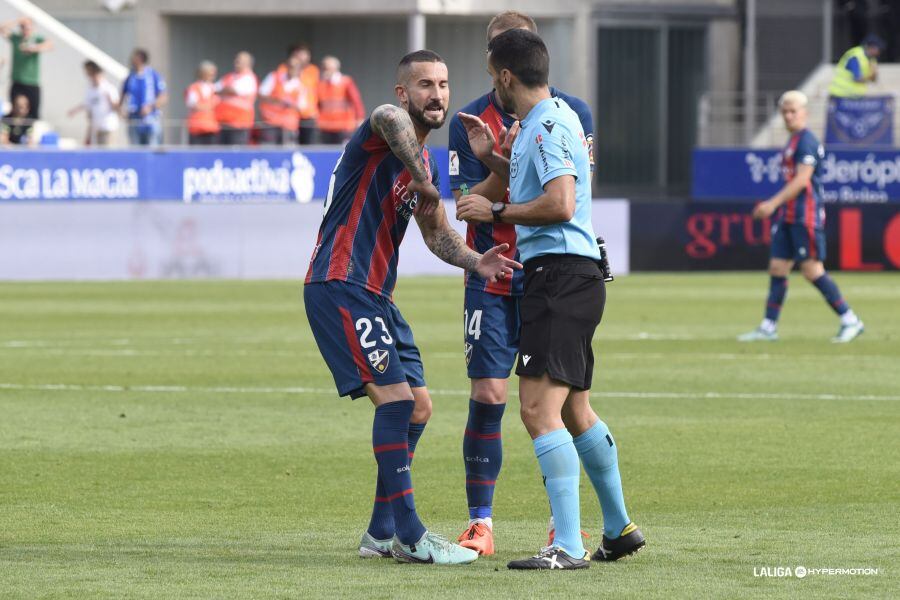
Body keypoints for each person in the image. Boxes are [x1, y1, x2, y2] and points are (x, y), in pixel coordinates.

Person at [303, 50, 520, 565]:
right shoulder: (387, 134)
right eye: (425, 85)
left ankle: (380, 533)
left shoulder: (418, 160)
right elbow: (385, 115)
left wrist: (476, 261)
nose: (437, 95)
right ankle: (411, 535)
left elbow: (436, 232)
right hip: (342, 282)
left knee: (418, 406)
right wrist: (422, 177)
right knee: (397, 403)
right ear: (405, 91)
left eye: (444, 85)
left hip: (378, 294)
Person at [456, 28, 644, 570]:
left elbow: (559, 204)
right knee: (576, 411)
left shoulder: (547, 125)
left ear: (507, 76)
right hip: (572, 276)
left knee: (539, 410)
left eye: (495, 78)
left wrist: (493, 213)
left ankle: (566, 544)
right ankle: (619, 528)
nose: (494, 87)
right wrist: (494, 160)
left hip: (559, 277)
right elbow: (544, 187)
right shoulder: (545, 121)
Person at [448, 10, 597, 557]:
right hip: (490, 275)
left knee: (552, 408)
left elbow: (564, 194)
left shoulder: (564, 114)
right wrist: (492, 158)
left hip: (549, 273)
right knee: (490, 393)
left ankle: (568, 532)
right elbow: (470, 200)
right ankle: (482, 523)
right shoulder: (472, 118)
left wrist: (501, 194)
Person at [738, 91, 864, 343]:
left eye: (793, 111)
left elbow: (802, 180)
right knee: (777, 267)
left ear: (805, 113)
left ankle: (850, 319)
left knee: (811, 269)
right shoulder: (793, 141)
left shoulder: (807, 141)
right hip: (789, 215)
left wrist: (772, 203)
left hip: (804, 215)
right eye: (784, 111)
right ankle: (768, 327)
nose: (788, 116)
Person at [1, 17, 52, 120]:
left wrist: (34, 48)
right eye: (23, 27)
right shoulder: (16, 39)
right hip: (17, 82)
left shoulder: (36, 39)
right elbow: (2, 29)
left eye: (28, 27)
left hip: (32, 83)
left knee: (34, 114)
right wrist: (17, 20)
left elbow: (50, 44)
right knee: (14, 113)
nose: (25, 29)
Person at [120, 48, 168, 146]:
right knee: (135, 151)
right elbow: (122, 96)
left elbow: (163, 96)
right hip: (134, 119)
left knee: (152, 149)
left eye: (135, 58)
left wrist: (150, 107)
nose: (132, 60)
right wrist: (122, 112)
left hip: (151, 119)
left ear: (141, 59)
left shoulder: (153, 75)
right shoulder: (130, 77)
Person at [68, 61, 120, 147]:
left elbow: (116, 105)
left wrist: (112, 102)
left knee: (107, 153)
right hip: (97, 128)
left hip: (108, 127)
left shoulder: (108, 88)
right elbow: (87, 105)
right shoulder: (90, 89)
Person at [317, 56, 365, 144]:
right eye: (323, 68)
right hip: (326, 127)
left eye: (327, 68)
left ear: (335, 69)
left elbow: (356, 101)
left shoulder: (346, 82)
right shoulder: (320, 84)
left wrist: (359, 118)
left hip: (343, 126)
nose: (325, 71)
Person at [258, 56, 304, 145]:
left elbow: (302, 106)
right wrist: (277, 101)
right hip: (270, 123)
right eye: (290, 66)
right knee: (269, 153)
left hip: (289, 126)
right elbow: (261, 94)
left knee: (288, 155)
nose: (292, 69)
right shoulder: (274, 77)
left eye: (296, 67)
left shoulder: (301, 85)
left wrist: (291, 104)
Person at [215, 51, 258, 145]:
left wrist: (224, 90)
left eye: (239, 61)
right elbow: (214, 89)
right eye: (236, 60)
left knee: (236, 153)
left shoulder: (249, 78)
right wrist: (225, 90)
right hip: (223, 123)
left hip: (239, 124)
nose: (236, 62)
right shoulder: (229, 76)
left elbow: (233, 90)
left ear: (248, 63)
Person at [185, 61, 220, 145]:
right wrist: (210, 106)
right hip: (196, 128)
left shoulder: (214, 88)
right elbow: (193, 105)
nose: (212, 75)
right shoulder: (194, 88)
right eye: (210, 73)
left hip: (211, 128)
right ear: (202, 73)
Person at [294, 44, 320, 144]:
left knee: (308, 143)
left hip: (309, 114)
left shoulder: (313, 70)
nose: (300, 58)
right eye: (298, 55)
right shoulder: (285, 69)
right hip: (292, 115)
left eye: (303, 55)